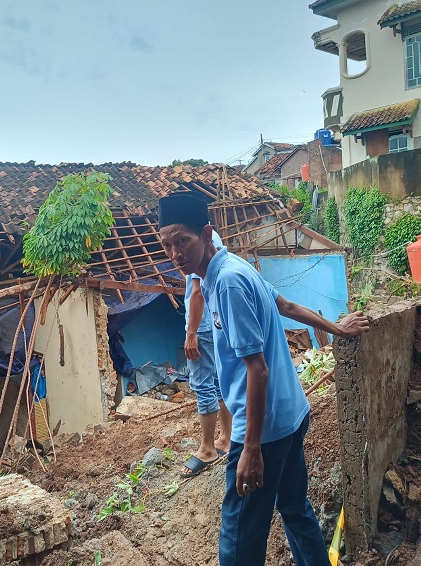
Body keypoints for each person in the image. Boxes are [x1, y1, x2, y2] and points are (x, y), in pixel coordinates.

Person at [158, 193, 369, 566]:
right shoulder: (226, 270)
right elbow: (285, 306)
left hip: (262, 430)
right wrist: (337, 328)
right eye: (167, 245)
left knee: (239, 537)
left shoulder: (229, 282)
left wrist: (251, 448)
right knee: (295, 509)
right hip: (291, 414)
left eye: (183, 241)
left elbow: (258, 369)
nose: (176, 253)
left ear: (206, 234)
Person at [180, 229, 233, 478]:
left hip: (201, 327)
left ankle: (208, 449)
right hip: (214, 322)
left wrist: (191, 333)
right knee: (219, 382)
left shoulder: (193, 245)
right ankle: (226, 438)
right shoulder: (214, 240)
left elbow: (197, 290)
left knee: (202, 384)